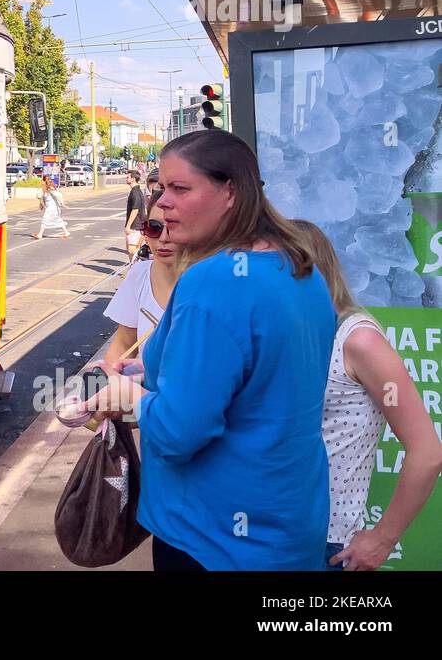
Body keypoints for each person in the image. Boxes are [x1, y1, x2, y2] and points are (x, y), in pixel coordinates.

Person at [85, 130, 336, 570]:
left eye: (180, 188)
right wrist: (150, 371)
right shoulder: (299, 268)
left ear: (230, 193)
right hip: (289, 526)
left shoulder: (211, 282)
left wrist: (126, 397)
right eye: (161, 187)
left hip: (211, 537)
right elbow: (258, 374)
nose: (161, 202)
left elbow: (182, 433)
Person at [292, 221, 442, 571]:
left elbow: (428, 452)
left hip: (325, 543)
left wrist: (383, 538)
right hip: (268, 533)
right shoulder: (290, 333)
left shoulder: (357, 339)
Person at [103, 192, 177, 365]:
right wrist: (108, 379)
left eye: (175, 227)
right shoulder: (140, 274)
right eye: (154, 227)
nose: (164, 238)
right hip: (144, 390)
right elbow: (123, 344)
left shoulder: (216, 282)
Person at [123, 170, 147, 260]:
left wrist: (128, 225)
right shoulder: (136, 191)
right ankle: (132, 268)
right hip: (137, 225)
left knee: (133, 250)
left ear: (133, 179)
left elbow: (135, 209)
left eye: (128, 177)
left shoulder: (135, 192)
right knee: (131, 250)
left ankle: (134, 269)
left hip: (135, 225)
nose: (126, 179)